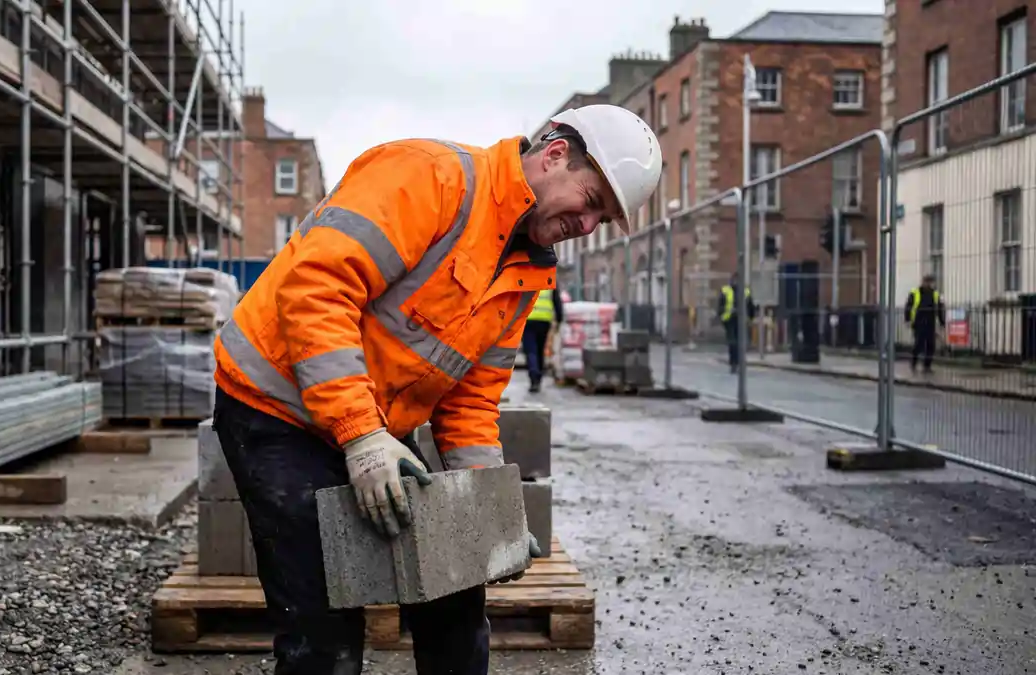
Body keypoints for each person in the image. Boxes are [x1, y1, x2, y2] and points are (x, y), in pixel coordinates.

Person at [211, 104, 662, 675]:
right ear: (554, 156)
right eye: (592, 201)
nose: (589, 226)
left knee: (457, 598)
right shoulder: (429, 177)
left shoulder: (524, 271)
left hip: (371, 425)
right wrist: (362, 436)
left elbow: (471, 402)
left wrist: (486, 517)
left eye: (604, 219)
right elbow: (316, 292)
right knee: (324, 631)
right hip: (274, 407)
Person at [521, 286, 564, 392]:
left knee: (530, 350)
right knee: (540, 349)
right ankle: (538, 376)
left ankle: (534, 377)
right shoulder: (549, 278)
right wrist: (559, 318)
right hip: (544, 320)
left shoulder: (525, 277)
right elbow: (557, 301)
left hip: (528, 319)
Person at [904, 273, 945, 373]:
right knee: (919, 344)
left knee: (931, 345)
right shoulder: (915, 293)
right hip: (918, 322)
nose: (929, 284)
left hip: (930, 322)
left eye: (930, 283)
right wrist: (908, 320)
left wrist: (941, 322)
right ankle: (914, 363)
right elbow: (908, 307)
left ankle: (927, 366)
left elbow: (939, 308)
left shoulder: (935, 294)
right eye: (927, 282)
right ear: (923, 282)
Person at [717, 273, 755, 373]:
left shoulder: (746, 291)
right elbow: (720, 305)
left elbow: (751, 306)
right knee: (732, 343)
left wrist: (751, 318)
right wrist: (722, 317)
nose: (736, 282)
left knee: (740, 343)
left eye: (738, 280)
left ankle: (738, 363)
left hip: (742, 320)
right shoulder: (725, 290)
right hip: (729, 320)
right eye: (735, 280)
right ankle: (733, 363)